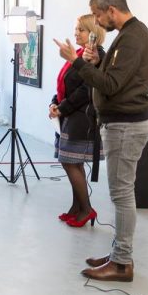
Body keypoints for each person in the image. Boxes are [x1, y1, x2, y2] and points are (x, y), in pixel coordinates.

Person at [55, 0, 148, 283]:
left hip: (126, 125)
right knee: (121, 192)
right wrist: (95, 63)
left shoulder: (133, 37)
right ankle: (118, 255)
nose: (97, 21)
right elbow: (114, 77)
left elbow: (110, 85)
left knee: (122, 194)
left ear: (112, 10)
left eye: (98, 15)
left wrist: (76, 61)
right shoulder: (128, 35)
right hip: (120, 123)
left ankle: (121, 263)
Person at [49, 15, 106, 227]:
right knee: (73, 162)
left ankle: (87, 210)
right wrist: (54, 103)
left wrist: (62, 108)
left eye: (81, 29)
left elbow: (85, 91)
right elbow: (65, 84)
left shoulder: (96, 56)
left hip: (82, 118)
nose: (76, 33)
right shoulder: (79, 54)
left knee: (69, 161)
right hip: (70, 115)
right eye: (75, 29)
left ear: (93, 32)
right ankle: (78, 207)